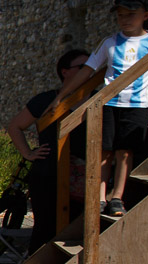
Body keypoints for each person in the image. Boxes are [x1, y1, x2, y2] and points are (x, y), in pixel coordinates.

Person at [52, 0, 148, 216]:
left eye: (131, 15)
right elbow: (87, 70)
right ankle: (100, 197)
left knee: (125, 152)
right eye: (121, 16)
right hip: (110, 103)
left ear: (146, 16)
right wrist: (61, 96)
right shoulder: (110, 42)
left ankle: (117, 197)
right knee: (105, 150)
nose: (125, 20)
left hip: (139, 105)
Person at [5, 48, 89, 251]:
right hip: (48, 172)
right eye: (83, 67)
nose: (90, 70)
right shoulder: (45, 99)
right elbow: (14, 126)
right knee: (45, 227)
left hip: (83, 174)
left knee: (79, 228)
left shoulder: (97, 97)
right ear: (65, 71)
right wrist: (28, 153)